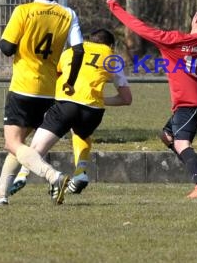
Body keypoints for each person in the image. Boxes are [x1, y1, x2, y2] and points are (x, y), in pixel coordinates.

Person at [107, 0, 197, 198]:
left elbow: (139, 27)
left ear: (196, 18)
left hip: (189, 104)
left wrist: (115, 7)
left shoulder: (173, 40)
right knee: (167, 136)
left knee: (181, 144)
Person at [0, 0, 84, 206]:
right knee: (18, 145)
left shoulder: (23, 11)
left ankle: (54, 177)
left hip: (23, 87)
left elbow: (7, 48)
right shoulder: (68, 14)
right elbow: (78, 50)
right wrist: (69, 81)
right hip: (49, 90)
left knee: (12, 143)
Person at [8, 28, 133, 196]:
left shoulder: (71, 51)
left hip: (66, 104)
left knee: (38, 146)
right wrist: (97, 98)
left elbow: (55, 75)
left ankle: (23, 174)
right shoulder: (112, 58)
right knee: (81, 134)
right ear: (111, 45)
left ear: (88, 40)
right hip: (93, 111)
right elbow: (126, 99)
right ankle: (81, 172)